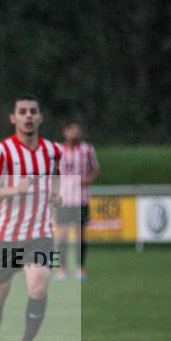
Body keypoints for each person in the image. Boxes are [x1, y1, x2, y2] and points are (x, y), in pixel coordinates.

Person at [0, 95, 61, 341]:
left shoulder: (53, 150)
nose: (28, 116)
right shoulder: (1, 151)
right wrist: (15, 189)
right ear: (13, 118)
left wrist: (56, 195)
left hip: (40, 234)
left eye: (33, 111)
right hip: (6, 236)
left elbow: (56, 177)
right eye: (22, 112)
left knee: (38, 287)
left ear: (40, 117)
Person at [53, 120, 100, 281]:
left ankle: (80, 268)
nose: (73, 133)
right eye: (70, 130)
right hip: (64, 200)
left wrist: (88, 179)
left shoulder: (87, 149)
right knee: (62, 235)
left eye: (76, 130)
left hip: (81, 199)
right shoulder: (58, 150)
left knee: (81, 235)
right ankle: (62, 269)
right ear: (65, 132)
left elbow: (95, 169)